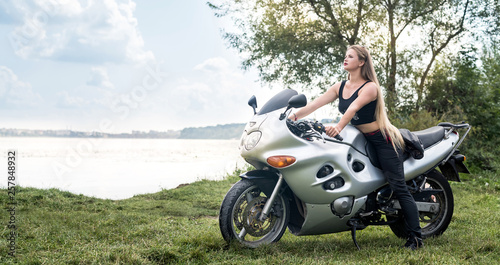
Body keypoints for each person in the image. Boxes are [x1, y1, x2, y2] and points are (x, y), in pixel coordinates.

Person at [289, 45, 423, 250]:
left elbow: (353, 108)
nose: (345, 59)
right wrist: (292, 117)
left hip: (382, 140)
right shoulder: (339, 86)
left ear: (361, 62)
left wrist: (339, 126)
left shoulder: (370, 87)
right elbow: (315, 104)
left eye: (350, 56)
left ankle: (416, 238)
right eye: (345, 56)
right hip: (360, 139)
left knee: (398, 187)